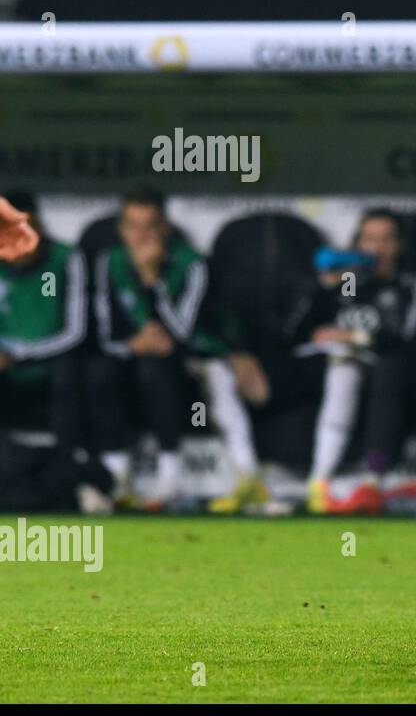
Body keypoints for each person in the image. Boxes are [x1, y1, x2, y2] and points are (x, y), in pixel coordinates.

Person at [89, 187, 263, 509]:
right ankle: (115, 478)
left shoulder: (191, 263)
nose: (141, 236)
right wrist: (133, 344)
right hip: (134, 354)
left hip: (195, 354)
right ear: (121, 229)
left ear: (165, 227)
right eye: (133, 226)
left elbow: (182, 330)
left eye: (150, 226)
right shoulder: (109, 262)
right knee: (101, 371)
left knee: (192, 377)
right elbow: (103, 329)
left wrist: (152, 279)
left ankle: (225, 476)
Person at [297, 208, 416, 513]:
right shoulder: (346, 282)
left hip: (390, 370)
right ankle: (319, 480)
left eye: (386, 240)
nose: (377, 248)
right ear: (358, 243)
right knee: (343, 369)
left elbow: (407, 337)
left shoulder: (410, 284)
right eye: (370, 239)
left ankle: (371, 477)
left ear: (399, 246)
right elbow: (296, 330)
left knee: (375, 368)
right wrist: (323, 288)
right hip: (330, 368)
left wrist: (355, 337)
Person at [0, 191, 90, 482]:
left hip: (52, 363)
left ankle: (69, 475)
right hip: (5, 367)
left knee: (74, 372)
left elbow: (76, 331)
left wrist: (18, 354)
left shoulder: (65, 259)